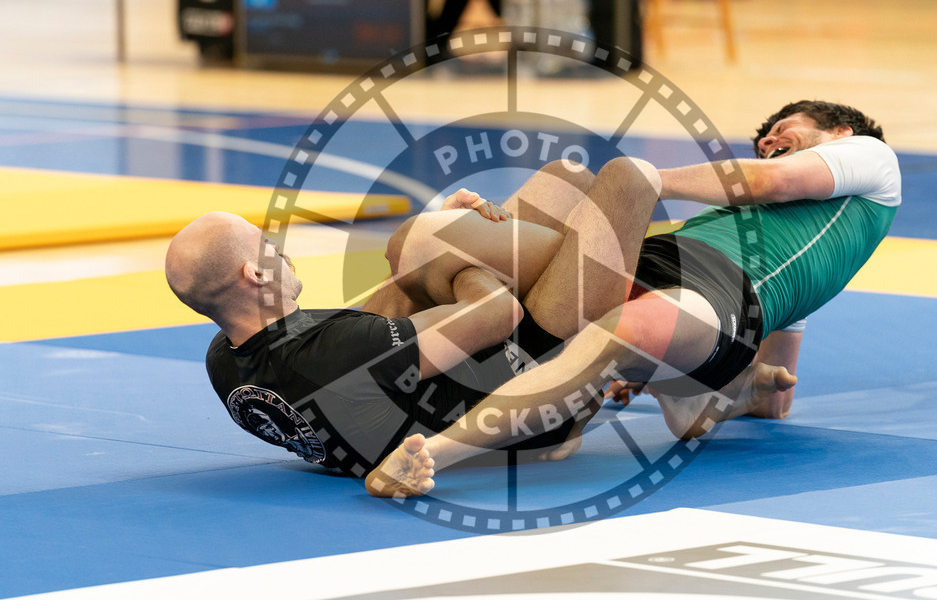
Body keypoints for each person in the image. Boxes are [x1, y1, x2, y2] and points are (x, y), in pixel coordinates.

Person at [365, 100, 901, 498]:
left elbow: (771, 182)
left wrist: (647, 182)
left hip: (720, 294)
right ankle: (341, 339)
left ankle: (433, 456)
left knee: (625, 220)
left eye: (785, 129)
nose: (767, 141)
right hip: (648, 261)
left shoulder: (873, 158)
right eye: (763, 138)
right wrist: (743, 389)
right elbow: (776, 399)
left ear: (840, 133)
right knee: (532, 193)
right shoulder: (772, 230)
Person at [166, 157, 685, 476]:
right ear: (255, 274)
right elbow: (497, 313)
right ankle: (671, 354)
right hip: (535, 383)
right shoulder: (337, 352)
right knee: (626, 181)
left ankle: (608, 288)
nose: (280, 249)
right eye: (266, 244)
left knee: (564, 180)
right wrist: (460, 254)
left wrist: (439, 236)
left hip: (469, 370)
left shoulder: (227, 359)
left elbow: (374, 335)